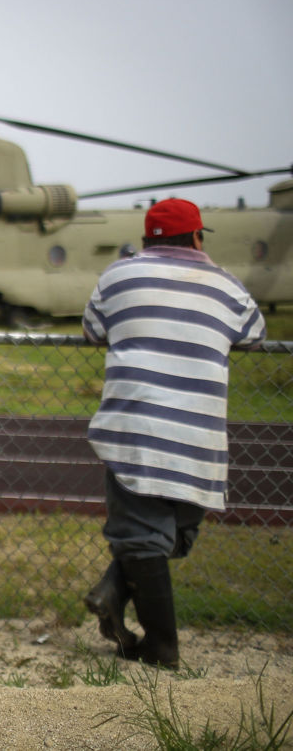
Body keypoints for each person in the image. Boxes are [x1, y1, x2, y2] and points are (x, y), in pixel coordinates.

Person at [82, 199, 266, 669]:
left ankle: (157, 641)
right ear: (197, 237)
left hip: (135, 432)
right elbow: (254, 333)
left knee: (146, 539)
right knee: (174, 532)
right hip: (198, 438)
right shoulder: (226, 285)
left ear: (147, 241)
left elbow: (93, 328)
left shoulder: (119, 276)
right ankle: (154, 637)